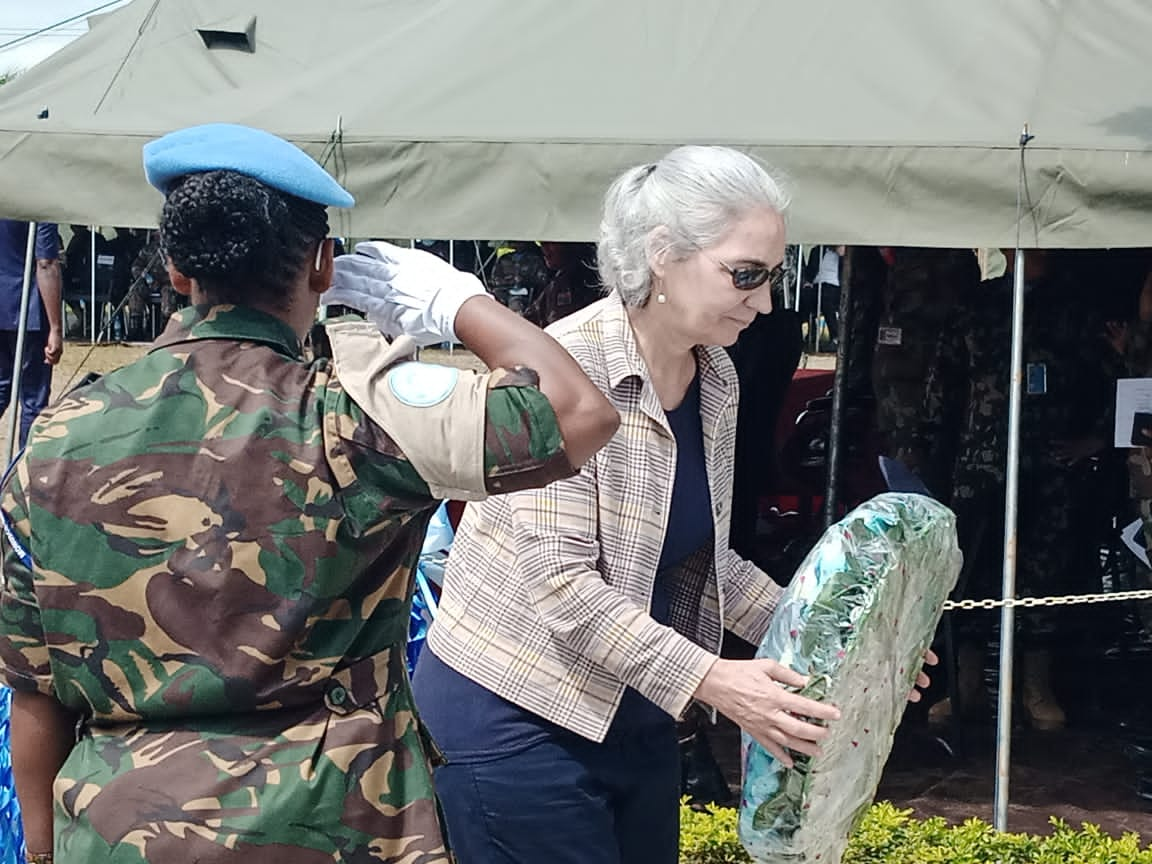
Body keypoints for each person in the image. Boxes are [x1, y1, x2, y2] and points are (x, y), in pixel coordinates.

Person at [0, 123, 619, 864]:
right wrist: (454, 303)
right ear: (323, 263)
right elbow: (580, 412)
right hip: (333, 822)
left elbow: (34, 689)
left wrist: (43, 850)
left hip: (124, 828)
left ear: (173, 268)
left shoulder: (55, 439)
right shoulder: (356, 418)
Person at [409, 147, 933, 863]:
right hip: (515, 720)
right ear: (662, 254)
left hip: (635, 713)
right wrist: (718, 681)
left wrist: (850, 645)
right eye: (745, 274)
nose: (767, 302)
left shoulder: (716, 373)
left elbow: (709, 557)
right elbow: (564, 588)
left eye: (773, 276)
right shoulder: (560, 372)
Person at [0, 219, 64, 447]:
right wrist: (56, 327)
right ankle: (23, 471)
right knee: (33, 402)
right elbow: (46, 263)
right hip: (28, 313)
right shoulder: (39, 200)